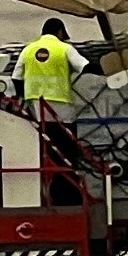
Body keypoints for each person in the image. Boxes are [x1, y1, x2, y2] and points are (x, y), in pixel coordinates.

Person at [18, 17, 83, 204]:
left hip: (39, 112)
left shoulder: (28, 50)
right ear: (60, 32)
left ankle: (55, 192)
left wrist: (22, 98)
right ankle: (69, 195)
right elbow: (85, 66)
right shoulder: (64, 49)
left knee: (49, 153)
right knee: (68, 153)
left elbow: (16, 77)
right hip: (63, 111)